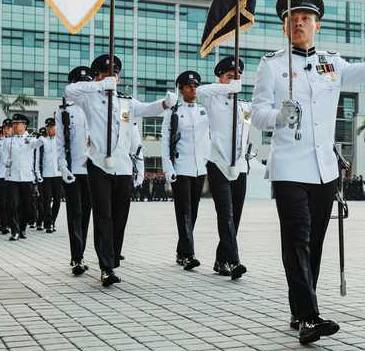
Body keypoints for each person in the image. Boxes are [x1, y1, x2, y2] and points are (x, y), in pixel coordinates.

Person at [253, 0, 365, 344]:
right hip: (288, 167)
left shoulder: (332, 63)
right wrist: (278, 115)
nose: (299, 23)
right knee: (297, 239)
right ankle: (310, 316)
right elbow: (257, 113)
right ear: (284, 26)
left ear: (317, 25)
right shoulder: (272, 66)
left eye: (306, 18)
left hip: (324, 167)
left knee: (315, 242)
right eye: (292, 19)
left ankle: (299, 310)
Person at [65, 54, 171, 287]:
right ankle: (106, 267)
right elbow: (69, 91)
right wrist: (100, 84)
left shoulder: (126, 102)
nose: (111, 77)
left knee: (120, 217)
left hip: (122, 167)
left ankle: (112, 258)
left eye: (114, 74)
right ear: (97, 76)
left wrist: (164, 103)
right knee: (103, 215)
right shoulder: (89, 97)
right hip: (99, 165)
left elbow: (146, 109)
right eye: (105, 73)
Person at [194, 56, 251, 279]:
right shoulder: (213, 100)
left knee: (235, 216)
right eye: (229, 76)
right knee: (225, 214)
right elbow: (200, 92)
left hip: (240, 166)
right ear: (220, 77)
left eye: (237, 77)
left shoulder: (245, 106)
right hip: (218, 163)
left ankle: (221, 260)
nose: (234, 80)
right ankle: (234, 261)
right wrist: (224, 87)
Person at [160, 70, 216, 273]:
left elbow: (209, 138)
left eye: (195, 86)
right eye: (190, 86)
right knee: (183, 212)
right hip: (180, 168)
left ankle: (180, 251)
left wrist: (207, 161)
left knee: (193, 212)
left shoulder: (204, 110)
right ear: (181, 89)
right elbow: (165, 142)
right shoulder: (173, 112)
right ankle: (189, 255)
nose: (194, 89)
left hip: (199, 169)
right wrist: (168, 169)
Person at [55, 67, 93, 276]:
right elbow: (60, 144)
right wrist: (62, 166)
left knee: (89, 214)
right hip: (74, 170)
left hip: (95, 171)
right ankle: (77, 257)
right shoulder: (64, 111)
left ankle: (86, 252)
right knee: (75, 214)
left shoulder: (97, 107)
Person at [0, 113, 44, 241]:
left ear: (25, 125)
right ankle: (15, 231)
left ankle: (22, 228)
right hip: (12, 178)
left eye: (18, 124)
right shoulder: (7, 141)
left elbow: (37, 143)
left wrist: (42, 138)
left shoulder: (29, 139)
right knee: (13, 205)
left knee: (27, 206)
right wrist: (7, 163)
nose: (15, 126)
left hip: (26, 177)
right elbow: (3, 156)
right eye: (14, 124)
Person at [36, 118, 63, 233]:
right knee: (46, 200)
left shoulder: (60, 141)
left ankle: (53, 221)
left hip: (58, 174)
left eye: (52, 127)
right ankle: (48, 223)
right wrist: (37, 173)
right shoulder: (42, 141)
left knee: (57, 200)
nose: (49, 129)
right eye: (48, 127)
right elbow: (37, 159)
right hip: (46, 175)